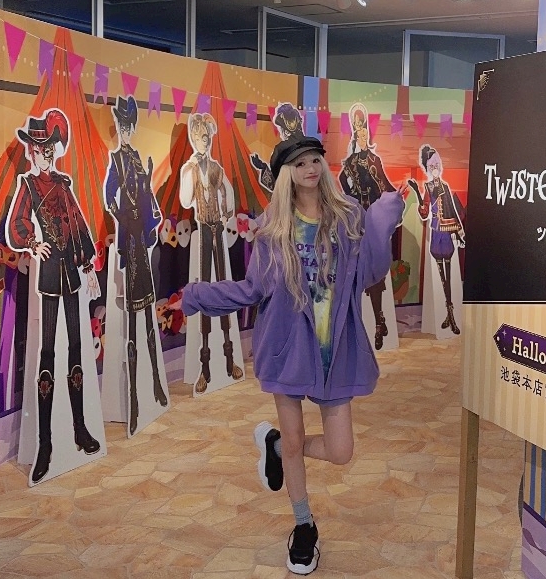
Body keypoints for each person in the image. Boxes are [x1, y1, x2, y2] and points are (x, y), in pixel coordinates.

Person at [182, 132, 404, 574]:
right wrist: (194, 295)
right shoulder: (272, 230)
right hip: (288, 349)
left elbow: (369, 272)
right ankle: (303, 526)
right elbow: (251, 290)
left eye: (315, 159)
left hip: (335, 352)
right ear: (286, 173)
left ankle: (274, 444)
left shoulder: (348, 216)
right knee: (298, 440)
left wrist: (386, 214)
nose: (310, 168)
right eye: (299, 163)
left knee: (341, 451)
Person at [7, 108, 101, 484]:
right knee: (47, 352)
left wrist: (89, 266)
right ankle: (44, 444)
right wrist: (33, 242)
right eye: (37, 148)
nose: (41, 154)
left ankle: (79, 428)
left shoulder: (63, 183)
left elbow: (77, 224)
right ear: (32, 151)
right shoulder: (29, 185)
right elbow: (17, 223)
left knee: (76, 346)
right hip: (46, 275)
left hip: (70, 274)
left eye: (46, 148)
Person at [104, 95, 168, 435]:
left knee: (146, 313)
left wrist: (147, 184)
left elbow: (147, 197)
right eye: (123, 126)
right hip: (129, 242)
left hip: (141, 240)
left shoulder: (138, 159)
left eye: (130, 126)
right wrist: (121, 218)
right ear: (118, 127)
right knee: (131, 315)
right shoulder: (116, 159)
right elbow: (108, 195)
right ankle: (134, 399)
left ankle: (155, 382)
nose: (126, 131)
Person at [179, 112, 243, 394]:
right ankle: (204, 367)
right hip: (203, 230)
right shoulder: (191, 169)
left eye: (205, 137)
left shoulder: (216, 168)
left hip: (217, 229)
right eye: (198, 137)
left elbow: (229, 195)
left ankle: (229, 359)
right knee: (204, 290)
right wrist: (189, 172)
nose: (202, 141)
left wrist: (226, 211)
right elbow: (185, 200)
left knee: (224, 288)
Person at [339, 103, 396, 350]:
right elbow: (342, 181)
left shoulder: (374, 159)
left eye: (365, 132)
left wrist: (393, 201)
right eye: (358, 132)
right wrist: (350, 195)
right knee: (357, 268)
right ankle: (363, 324)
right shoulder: (351, 162)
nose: (362, 135)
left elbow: (384, 184)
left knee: (376, 269)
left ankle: (379, 319)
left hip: (374, 220)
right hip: (357, 222)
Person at [407, 144, 464, 335]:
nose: (435, 168)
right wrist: (417, 192)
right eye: (432, 166)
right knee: (442, 278)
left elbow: (453, 209)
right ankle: (449, 314)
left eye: (437, 165)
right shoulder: (428, 187)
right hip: (436, 232)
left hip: (446, 233)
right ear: (428, 168)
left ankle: (451, 315)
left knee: (449, 277)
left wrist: (458, 232)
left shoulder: (445, 186)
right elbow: (424, 212)